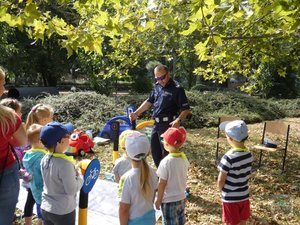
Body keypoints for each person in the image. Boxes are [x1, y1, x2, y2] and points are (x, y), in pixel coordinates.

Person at [129, 64, 191, 167]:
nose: (160, 80)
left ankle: (166, 178)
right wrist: (136, 113)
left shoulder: (177, 88)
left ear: (168, 74)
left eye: (162, 77)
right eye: (157, 78)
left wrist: (179, 120)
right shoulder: (157, 86)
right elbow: (149, 102)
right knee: (155, 152)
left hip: (169, 125)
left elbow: (186, 109)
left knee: (166, 154)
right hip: (156, 125)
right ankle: (160, 175)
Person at [40, 122, 83, 225]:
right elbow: (71, 190)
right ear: (62, 141)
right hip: (63, 212)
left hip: (46, 208)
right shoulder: (65, 164)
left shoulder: (44, 159)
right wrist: (80, 177)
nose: (70, 139)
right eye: (68, 136)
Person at [0, 66, 27, 225]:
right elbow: (22, 141)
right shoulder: (8, 116)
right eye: (2, 84)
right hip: (5, 171)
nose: (3, 90)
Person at [22, 103, 54, 225]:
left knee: (31, 199)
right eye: (51, 117)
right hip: (40, 179)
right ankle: (39, 221)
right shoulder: (41, 133)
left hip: (31, 178)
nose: (52, 120)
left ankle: (28, 222)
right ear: (44, 120)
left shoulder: (32, 130)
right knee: (38, 201)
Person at [217, 120, 253, 225]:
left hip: (230, 198)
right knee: (242, 221)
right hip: (244, 196)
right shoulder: (249, 155)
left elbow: (221, 179)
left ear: (230, 139)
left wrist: (220, 190)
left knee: (231, 222)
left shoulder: (228, 157)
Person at [118, 132, 158, 225]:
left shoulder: (126, 178)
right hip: (150, 219)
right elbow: (152, 198)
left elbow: (123, 208)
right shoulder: (153, 173)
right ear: (148, 152)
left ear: (127, 153)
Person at [155, 127, 189, 225]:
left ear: (166, 144)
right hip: (181, 197)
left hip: (168, 200)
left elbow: (162, 183)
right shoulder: (184, 159)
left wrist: (158, 199)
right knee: (181, 221)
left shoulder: (165, 162)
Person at [23, 124, 47, 225]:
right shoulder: (42, 157)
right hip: (44, 191)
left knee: (39, 211)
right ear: (40, 141)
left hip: (34, 189)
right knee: (45, 216)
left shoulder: (27, 155)